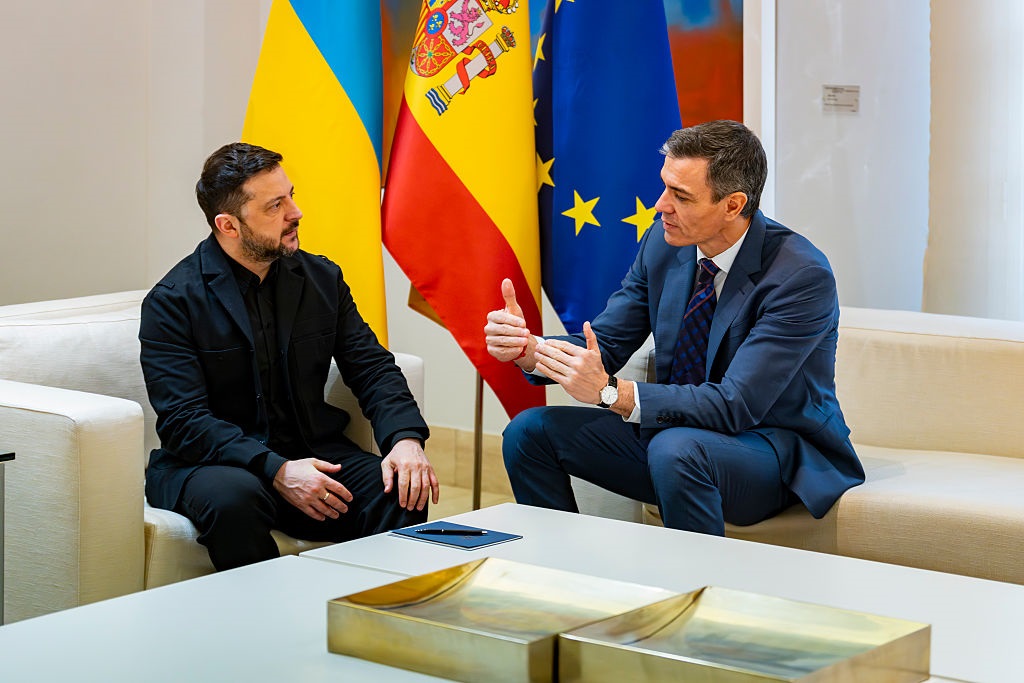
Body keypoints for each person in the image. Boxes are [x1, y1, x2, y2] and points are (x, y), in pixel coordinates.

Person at [484, 120, 864, 535]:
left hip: (772, 449)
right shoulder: (664, 244)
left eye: (681, 196)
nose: (660, 205)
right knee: (529, 432)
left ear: (733, 205)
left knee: (675, 448)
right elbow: (606, 342)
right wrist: (531, 350)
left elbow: (736, 403)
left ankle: (693, 577)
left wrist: (612, 393)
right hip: (679, 439)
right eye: (665, 186)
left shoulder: (799, 275)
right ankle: (557, 568)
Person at [141, 142, 438, 570]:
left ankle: (363, 605)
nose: (296, 212)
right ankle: (268, 611)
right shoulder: (173, 301)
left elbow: (372, 368)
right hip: (215, 464)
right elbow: (184, 420)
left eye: (291, 196)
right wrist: (277, 469)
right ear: (229, 225)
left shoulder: (322, 279)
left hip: (311, 448)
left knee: (401, 487)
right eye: (275, 206)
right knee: (233, 499)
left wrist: (405, 440)